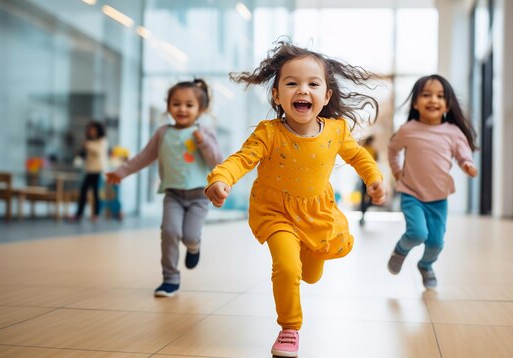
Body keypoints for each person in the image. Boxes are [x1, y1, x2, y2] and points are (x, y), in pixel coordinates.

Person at [204, 41, 387, 357]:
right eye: (292, 83)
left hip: (316, 215)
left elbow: (360, 157)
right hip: (274, 211)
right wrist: (221, 178)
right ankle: (289, 328)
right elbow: (242, 159)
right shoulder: (269, 132)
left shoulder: (336, 131)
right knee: (288, 268)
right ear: (277, 95)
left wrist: (374, 179)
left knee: (311, 274)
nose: (303, 90)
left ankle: (308, 258)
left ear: (326, 96)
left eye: (313, 84)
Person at [106, 79, 222, 297]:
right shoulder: (162, 133)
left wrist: (203, 143)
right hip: (173, 195)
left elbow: (217, 162)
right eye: (176, 103)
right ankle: (170, 278)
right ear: (168, 106)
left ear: (200, 109)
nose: (182, 109)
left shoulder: (204, 133)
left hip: (199, 196)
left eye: (189, 105)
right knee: (169, 232)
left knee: (189, 236)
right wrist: (121, 172)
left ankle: (194, 246)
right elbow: (143, 157)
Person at [387, 74, 478, 289]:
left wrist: (467, 164)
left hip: (438, 198)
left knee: (436, 243)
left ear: (448, 104)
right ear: (416, 102)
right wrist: (397, 171)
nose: (433, 100)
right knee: (417, 233)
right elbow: (393, 150)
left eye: (440, 96)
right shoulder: (408, 129)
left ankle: (426, 265)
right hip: (411, 193)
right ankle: (401, 249)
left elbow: (463, 154)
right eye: (426, 95)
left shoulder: (453, 132)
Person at [71, 121, 108, 222]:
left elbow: (98, 151)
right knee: (83, 192)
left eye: (93, 129)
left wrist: (88, 145)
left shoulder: (102, 141)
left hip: (98, 171)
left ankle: (96, 214)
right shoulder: (89, 142)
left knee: (96, 194)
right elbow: (85, 155)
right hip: (89, 170)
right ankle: (79, 214)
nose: (91, 132)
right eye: (90, 130)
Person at [358, 135, 378, 226]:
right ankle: (363, 212)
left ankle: (364, 211)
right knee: (367, 196)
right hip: (366, 177)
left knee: (367, 196)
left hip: (367, 177)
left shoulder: (371, 149)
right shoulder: (366, 149)